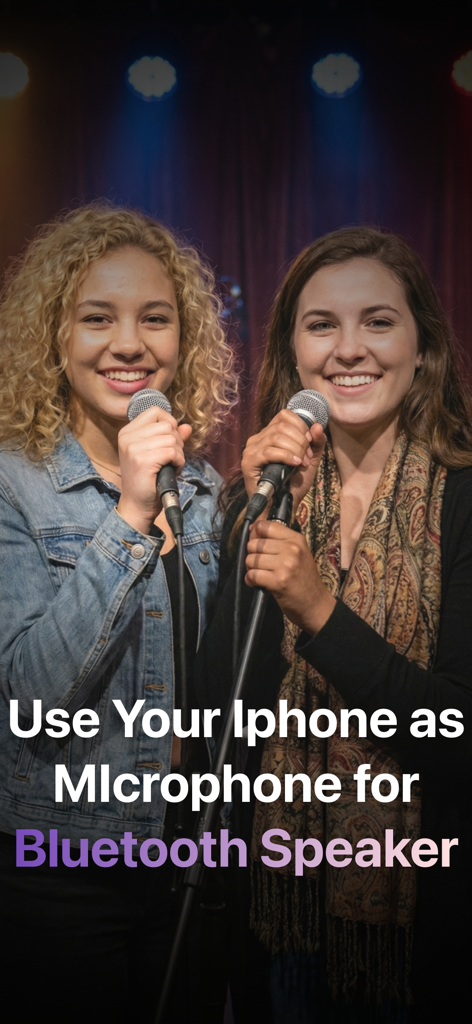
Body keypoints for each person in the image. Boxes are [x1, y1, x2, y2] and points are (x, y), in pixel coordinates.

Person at [195, 226, 472, 1022]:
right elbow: (219, 718)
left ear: (423, 345)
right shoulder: (257, 496)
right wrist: (256, 515)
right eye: (322, 325)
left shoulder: (463, 500)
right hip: (278, 915)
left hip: (422, 925)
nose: (349, 348)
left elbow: (457, 738)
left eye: (378, 321)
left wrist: (318, 610)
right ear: (294, 352)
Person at [0, 203, 236, 1023]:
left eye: (155, 319)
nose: (129, 343)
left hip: (189, 864)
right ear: (55, 338)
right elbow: (31, 698)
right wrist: (130, 515)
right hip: (59, 871)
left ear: (183, 341)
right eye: (97, 317)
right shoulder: (14, 484)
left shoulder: (203, 488)